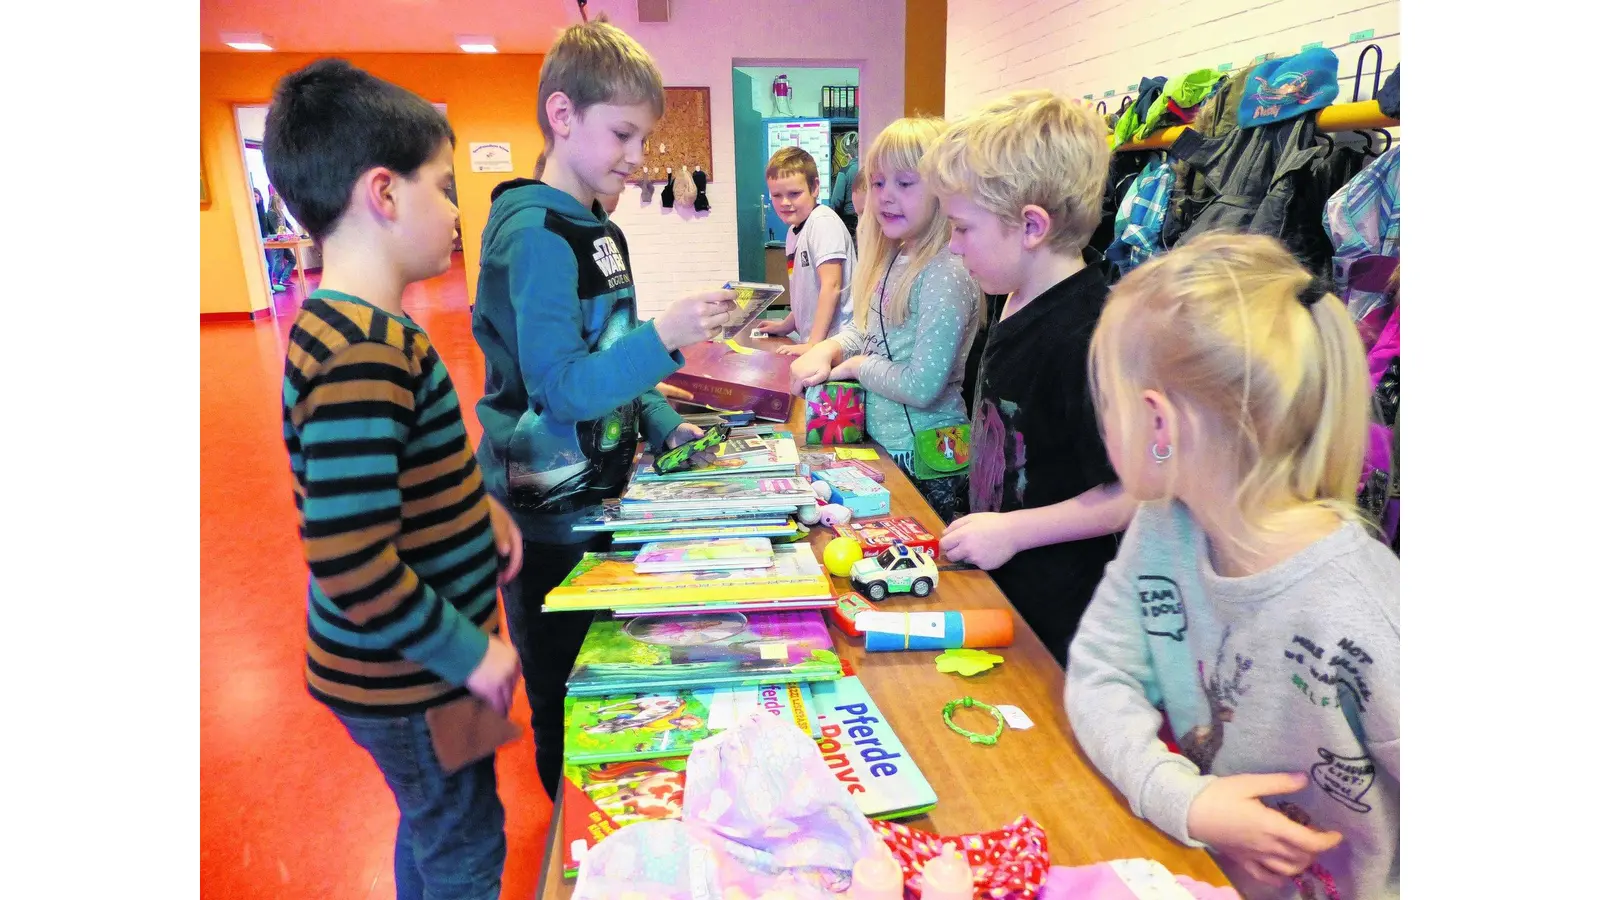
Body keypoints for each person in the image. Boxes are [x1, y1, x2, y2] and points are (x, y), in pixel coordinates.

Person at [1066, 234, 1398, 900]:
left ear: (1157, 424)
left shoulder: (1368, 611)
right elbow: (1101, 673)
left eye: (1107, 401)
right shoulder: (1164, 526)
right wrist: (1185, 802)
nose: (1102, 422)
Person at [265, 59, 524, 900]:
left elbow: (405, 475)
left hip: (419, 666)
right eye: (444, 188)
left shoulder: (356, 326)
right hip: (412, 676)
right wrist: (469, 653)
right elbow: (349, 557)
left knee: (437, 825)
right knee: (465, 846)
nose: (456, 212)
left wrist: (477, 510)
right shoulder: (363, 351)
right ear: (383, 192)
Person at [470, 14, 735, 801]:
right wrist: (666, 335)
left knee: (615, 681)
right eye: (624, 134)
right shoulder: (537, 232)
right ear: (562, 115)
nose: (639, 157)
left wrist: (663, 420)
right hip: (547, 517)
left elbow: (611, 353)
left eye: (644, 139)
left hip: (599, 500)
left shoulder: (595, 225)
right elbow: (560, 387)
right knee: (568, 697)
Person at [923, 89, 1135, 663]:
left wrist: (1012, 532)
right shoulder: (1012, 296)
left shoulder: (1088, 335)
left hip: (1060, 618)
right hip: (1005, 587)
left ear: (1031, 226)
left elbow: (1131, 494)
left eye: (963, 228)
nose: (952, 245)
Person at [789, 117, 981, 523]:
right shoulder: (896, 256)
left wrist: (855, 367)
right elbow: (869, 330)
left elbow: (922, 385)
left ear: (941, 190)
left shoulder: (946, 272)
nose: (886, 197)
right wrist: (829, 348)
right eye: (878, 183)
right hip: (888, 449)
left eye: (905, 183)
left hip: (930, 460)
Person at [752, 146, 856, 356]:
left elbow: (831, 285)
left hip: (837, 340)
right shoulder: (793, 232)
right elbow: (805, 292)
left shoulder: (822, 222)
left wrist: (813, 345)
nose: (785, 203)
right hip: (817, 340)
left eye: (794, 194)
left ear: (815, 187)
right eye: (777, 195)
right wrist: (787, 325)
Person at [830, 153, 860, 238]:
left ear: (848, 156)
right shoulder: (870, 169)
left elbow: (836, 200)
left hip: (849, 222)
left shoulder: (845, 171)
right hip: (867, 219)